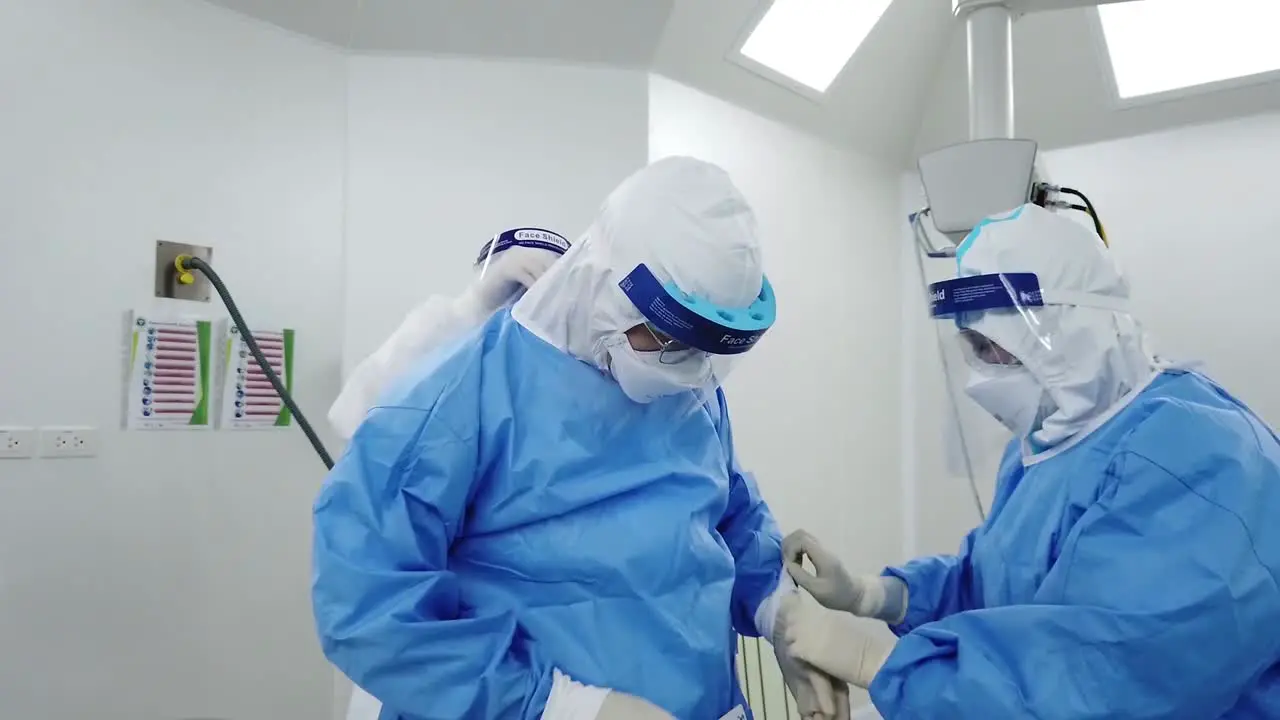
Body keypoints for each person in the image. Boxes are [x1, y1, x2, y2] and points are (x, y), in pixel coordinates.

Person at [311, 156, 849, 720]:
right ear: (604, 283)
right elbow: (368, 600)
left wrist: (780, 613)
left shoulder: (687, 383)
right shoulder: (461, 394)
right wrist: (558, 708)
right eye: (667, 335)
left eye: (706, 348)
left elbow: (728, 514)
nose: (688, 367)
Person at [778, 203, 1280, 718]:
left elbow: (1106, 680)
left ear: (1069, 330)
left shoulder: (1198, 461)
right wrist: (877, 595)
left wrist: (880, 662)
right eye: (973, 347)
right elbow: (1002, 585)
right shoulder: (1051, 443)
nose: (982, 374)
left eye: (995, 348)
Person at [329, 228, 571, 720]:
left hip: (536, 662)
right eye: (513, 292)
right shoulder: (442, 363)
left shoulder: (575, 395)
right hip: (436, 652)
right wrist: (471, 309)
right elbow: (357, 415)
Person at [328, 227, 571, 441]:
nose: (519, 301)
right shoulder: (444, 337)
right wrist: (474, 306)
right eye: (509, 288)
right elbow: (352, 416)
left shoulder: (583, 368)